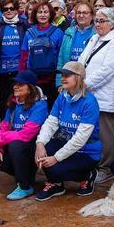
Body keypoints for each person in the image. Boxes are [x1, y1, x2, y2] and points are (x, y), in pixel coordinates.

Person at [35, 60, 102, 200]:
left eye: (68, 75)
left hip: (87, 152)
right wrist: (40, 144)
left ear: (78, 78)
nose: (63, 78)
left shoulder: (89, 102)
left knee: (53, 167)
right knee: (40, 153)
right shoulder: (62, 97)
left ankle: (88, 175)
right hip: (66, 144)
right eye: (62, 75)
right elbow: (50, 122)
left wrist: (55, 158)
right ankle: (56, 184)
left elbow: (80, 140)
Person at [81, 6, 114, 184]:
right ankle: (93, 163)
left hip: (104, 96)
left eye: (102, 21)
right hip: (88, 93)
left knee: (105, 132)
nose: (97, 24)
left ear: (112, 23)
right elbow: (82, 60)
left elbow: (106, 71)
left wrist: (84, 84)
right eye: (97, 20)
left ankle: (106, 166)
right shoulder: (94, 39)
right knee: (91, 131)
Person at [0, 70, 49, 200]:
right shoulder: (13, 103)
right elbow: (3, 128)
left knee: (15, 145)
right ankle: (26, 177)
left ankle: (24, 186)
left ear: (30, 88)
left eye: (20, 84)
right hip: (20, 147)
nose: (15, 86)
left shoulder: (40, 105)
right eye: (15, 83)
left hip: (34, 149)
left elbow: (26, 135)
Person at [0, 0, 28, 121]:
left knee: (21, 100)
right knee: (4, 102)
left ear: (16, 9)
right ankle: (4, 127)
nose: (8, 11)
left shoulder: (24, 25)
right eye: (5, 9)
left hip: (19, 71)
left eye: (11, 8)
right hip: (2, 71)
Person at [21, 0, 64, 103]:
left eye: (46, 12)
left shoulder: (58, 32)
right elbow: (24, 56)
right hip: (33, 79)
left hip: (52, 79)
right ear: (35, 15)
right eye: (40, 12)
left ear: (50, 14)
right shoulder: (29, 33)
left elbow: (60, 56)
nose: (43, 15)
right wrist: (22, 78)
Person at [56, 0, 94, 87]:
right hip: (69, 79)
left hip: (88, 81)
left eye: (85, 13)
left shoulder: (96, 34)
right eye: (79, 13)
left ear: (91, 16)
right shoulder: (68, 33)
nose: (81, 15)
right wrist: (59, 82)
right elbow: (61, 58)